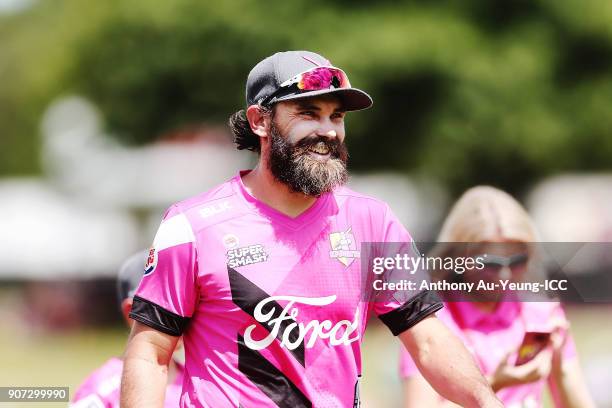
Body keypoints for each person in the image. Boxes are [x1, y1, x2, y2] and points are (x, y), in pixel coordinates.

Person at [121, 50, 502, 407]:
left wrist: (488, 403)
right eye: (308, 113)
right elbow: (151, 353)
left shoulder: (372, 221)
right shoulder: (191, 226)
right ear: (260, 121)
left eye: (336, 117)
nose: (329, 131)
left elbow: (428, 339)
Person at [400, 186, 595, 408]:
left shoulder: (540, 313)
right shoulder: (429, 320)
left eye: (517, 262)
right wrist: (494, 385)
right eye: (490, 263)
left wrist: (560, 364)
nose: (504, 275)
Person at [71, 250, 184, 408]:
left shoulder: (200, 384)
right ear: (132, 312)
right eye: (169, 305)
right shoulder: (100, 392)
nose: (183, 315)